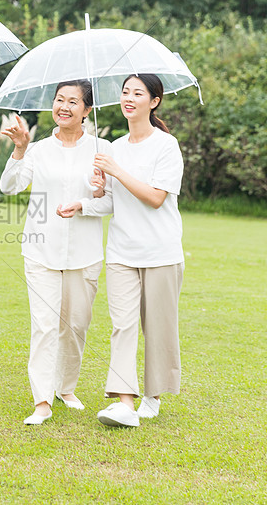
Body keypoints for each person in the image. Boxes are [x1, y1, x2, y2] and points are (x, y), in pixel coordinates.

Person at [57, 73, 185, 427]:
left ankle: (153, 397)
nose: (128, 98)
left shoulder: (166, 146)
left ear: (154, 101)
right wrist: (89, 199)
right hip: (121, 253)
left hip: (161, 252)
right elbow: (111, 202)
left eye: (137, 93)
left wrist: (116, 170)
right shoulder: (112, 147)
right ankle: (125, 401)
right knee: (122, 325)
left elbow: (156, 198)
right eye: (125, 92)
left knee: (157, 327)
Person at [0, 80, 113, 425]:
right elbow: (9, 187)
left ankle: (66, 388)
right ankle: (42, 400)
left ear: (87, 110)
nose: (64, 106)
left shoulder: (102, 149)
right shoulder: (38, 149)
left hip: (85, 252)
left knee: (76, 326)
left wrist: (87, 202)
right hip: (40, 249)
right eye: (59, 100)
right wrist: (19, 150)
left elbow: (110, 202)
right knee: (45, 325)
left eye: (73, 101)